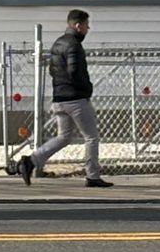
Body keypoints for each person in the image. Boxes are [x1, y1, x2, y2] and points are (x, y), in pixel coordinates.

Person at [14, 10, 107, 187]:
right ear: (78, 26)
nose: (88, 29)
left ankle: (30, 161)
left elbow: (52, 70)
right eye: (86, 25)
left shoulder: (58, 43)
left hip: (59, 99)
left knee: (63, 137)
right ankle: (93, 176)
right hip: (76, 99)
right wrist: (87, 89)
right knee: (91, 137)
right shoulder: (74, 45)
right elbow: (75, 73)